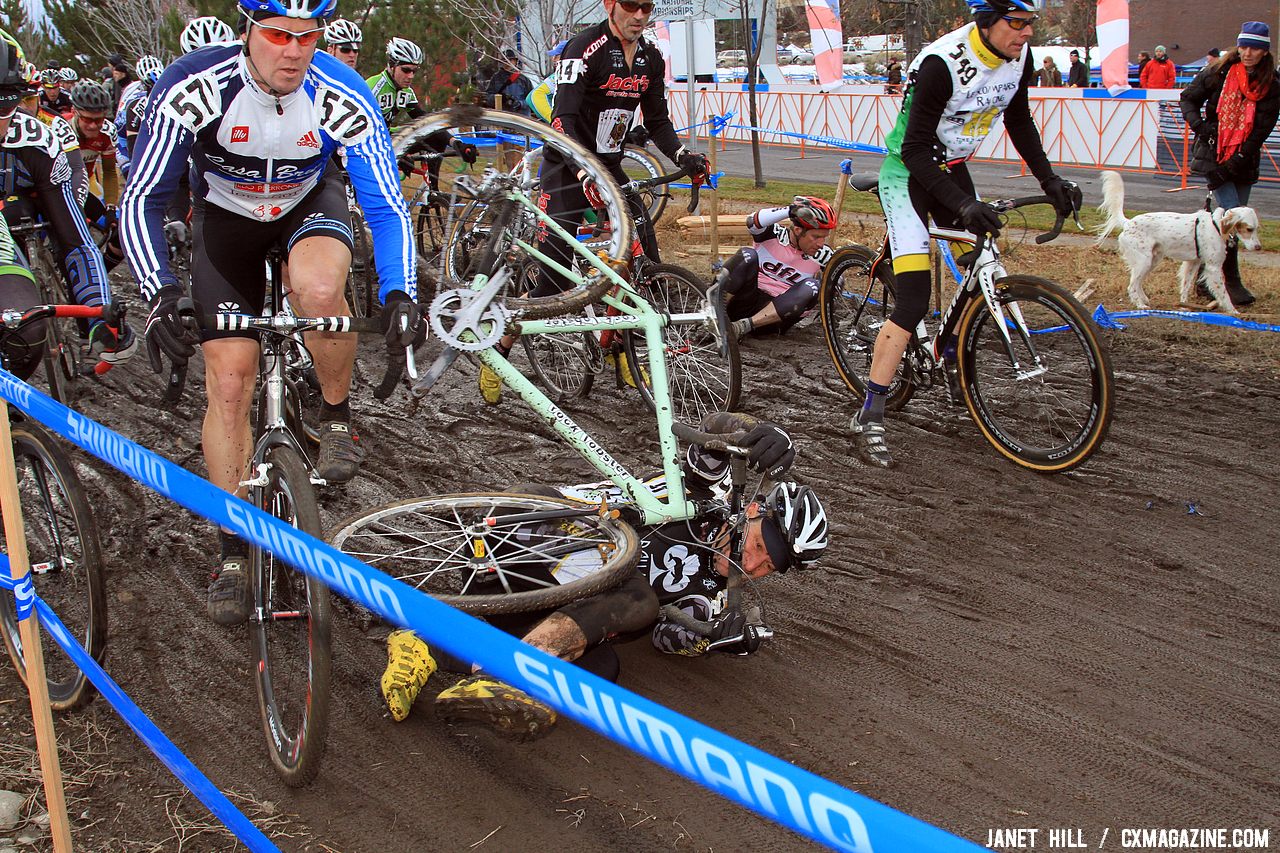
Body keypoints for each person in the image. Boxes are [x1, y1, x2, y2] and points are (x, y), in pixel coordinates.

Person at [119, 0, 422, 627]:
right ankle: (233, 546)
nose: (293, 50)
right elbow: (144, 197)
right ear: (248, 31)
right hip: (227, 220)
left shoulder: (343, 93)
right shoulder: (193, 87)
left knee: (317, 293)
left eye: (306, 37)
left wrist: (399, 293)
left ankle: (334, 413)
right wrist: (157, 295)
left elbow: (388, 206)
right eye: (279, 35)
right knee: (229, 380)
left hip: (308, 202)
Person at [377, 414, 828, 739]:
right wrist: (758, 434)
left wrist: (711, 638)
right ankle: (511, 674)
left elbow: (666, 638)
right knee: (638, 597)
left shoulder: (712, 599)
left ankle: (424, 646)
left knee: (603, 668)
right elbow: (711, 437)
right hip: (529, 526)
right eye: (760, 548)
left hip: (546, 601)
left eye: (771, 568)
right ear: (752, 512)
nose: (755, 567)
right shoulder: (707, 489)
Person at [849, 0, 1082, 469]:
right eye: (1016, 23)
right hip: (908, 175)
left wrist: (1049, 181)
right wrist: (961, 205)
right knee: (913, 301)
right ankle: (869, 412)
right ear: (986, 21)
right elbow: (914, 149)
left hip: (953, 169)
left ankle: (951, 354)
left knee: (983, 260)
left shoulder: (1019, 57)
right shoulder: (940, 64)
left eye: (1031, 24)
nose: (1026, 33)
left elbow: (1019, 121)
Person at [478, 0, 710, 405]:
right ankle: (498, 351)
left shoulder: (651, 58)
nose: (640, 15)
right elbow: (562, 119)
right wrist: (584, 170)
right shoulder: (584, 49)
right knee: (556, 277)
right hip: (567, 167)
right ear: (610, 5)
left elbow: (657, 121)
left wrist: (683, 156)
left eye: (647, 7)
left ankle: (621, 343)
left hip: (609, 165)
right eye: (632, 6)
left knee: (641, 260)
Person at [0, 34, 135, 370]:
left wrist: (98, 314)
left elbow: (76, 241)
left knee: (25, 329)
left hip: (20, 216)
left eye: (4, 107)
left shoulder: (36, 141)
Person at [1180, 21, 1280, 308]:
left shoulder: (1270, 84)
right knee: (1233, 220)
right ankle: (1229, 280)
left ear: (1265, 52)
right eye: (1244, 46)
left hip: (1244, 158)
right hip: (1215, 152)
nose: (1247, 53)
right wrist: (1201, 127)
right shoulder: (1218, 71)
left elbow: (1261, 130)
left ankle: (1203, 279)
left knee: (1218, 217)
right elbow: (1188, 98)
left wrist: (1236, 161)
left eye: (1255, 49)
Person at [718, 196, 836, 338]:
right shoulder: (773, 234)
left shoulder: (824, 255)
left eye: (825, 237)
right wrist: (791, 210)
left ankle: (740, 328)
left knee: (813, 286)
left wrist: (830, 283)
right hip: (744, 300)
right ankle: (711, 312)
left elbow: (836, 286)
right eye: (816, 237)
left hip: (772, 320)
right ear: (798, 230)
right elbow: (752, 221)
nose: (821, 244)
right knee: (747, 254)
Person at [366, 37, 426, 127]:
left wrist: (451, 140)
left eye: (414, 71)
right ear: (391, 66)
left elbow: (422, 120)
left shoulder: (407, 92)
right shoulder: (373, 87)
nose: (411, 76)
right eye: (406, 70)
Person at [485, 48, 533, 116]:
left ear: (515, 62)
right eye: (505, 60)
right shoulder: (496, 78)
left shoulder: (523, 79)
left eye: (510, 60)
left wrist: (519, 104)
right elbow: (488, 97)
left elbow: (532, 100)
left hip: (522, 119)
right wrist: (499, 98)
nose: (507, 62)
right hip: (504, 118)